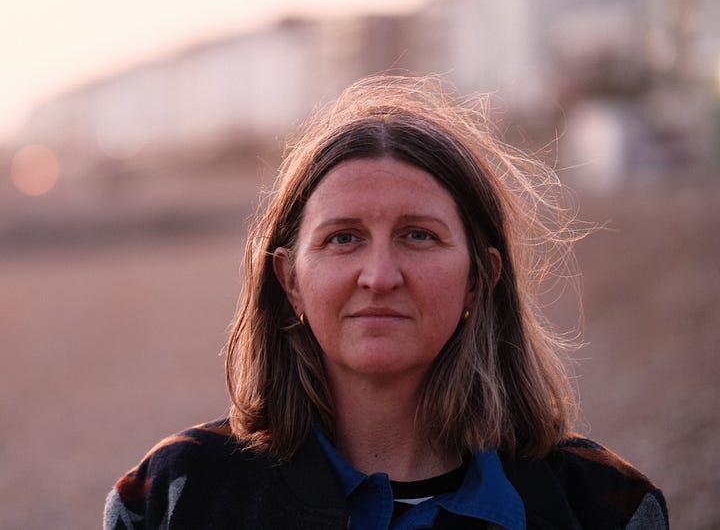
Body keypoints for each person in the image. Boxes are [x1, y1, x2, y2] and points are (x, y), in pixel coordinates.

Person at [104, 75, 668, 529]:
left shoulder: (604, 506)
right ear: (290, 279)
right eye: (342, 237)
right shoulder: (172, 496)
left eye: (418, 235)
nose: (379, 276)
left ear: (480, 277)